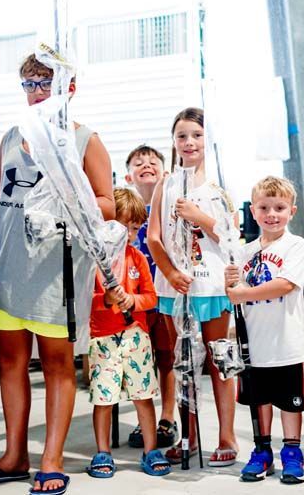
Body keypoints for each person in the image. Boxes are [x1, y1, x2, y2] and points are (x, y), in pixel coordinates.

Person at [0, 53, 115, 495]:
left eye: (44, 83)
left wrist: (67, 198)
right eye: (29, 84)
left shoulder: (85, 140)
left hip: (58, 272)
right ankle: (15, 454)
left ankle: (51, 459)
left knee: (56, 365)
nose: (36, 93)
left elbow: (109, 205)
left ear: (68, 88)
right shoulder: (11, 137)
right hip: (9, 268)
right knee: (11, 362)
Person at [147, 107, 238, 466]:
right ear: (173, 141)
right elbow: (154, 237)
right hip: (175, 288)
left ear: (208, 139)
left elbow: (233, 236)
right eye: (182, 136)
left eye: (196, 135)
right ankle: (190, 434)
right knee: (182, 360)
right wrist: (169, 272)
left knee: (219, 361)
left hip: (212, 284)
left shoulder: (218, 186)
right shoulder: (165, 185)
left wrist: (200, 218)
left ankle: (227, 434)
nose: (189, 143)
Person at [223, 176, 304, 484]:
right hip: (254, 345)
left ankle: (292, 452)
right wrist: (230, 282)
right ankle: (262, 451)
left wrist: (241, 292)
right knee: (258, 400)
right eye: (264, 207)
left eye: (279, 207)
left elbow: (285, 284)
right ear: (254, 211)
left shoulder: (295, 245)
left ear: (292, 211)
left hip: (285, 343)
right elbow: (235, 292)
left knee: (289, 401)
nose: (272, 214)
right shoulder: (244, 252)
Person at [86, 188, 170, 478]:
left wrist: (133, 301)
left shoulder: (138, 258)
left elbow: (151, 297)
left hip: (136, 338)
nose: (131, 234)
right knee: (103, 399)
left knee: (143, 396)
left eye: (135, 228)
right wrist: (106, 300)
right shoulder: (92, 261)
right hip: (103, 338)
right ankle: (102, 452)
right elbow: (88, 302)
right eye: (125, 227)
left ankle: (150, 450)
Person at [122, 145, 178, 449]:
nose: (146, 165)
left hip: (165, 293)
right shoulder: (123, 212)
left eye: (153, 162)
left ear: (164, 172)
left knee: (167, 355)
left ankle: (167, 417)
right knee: (138, 360)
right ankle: (144, 420)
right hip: (134, 298)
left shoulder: (170, 209)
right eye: (138, 163)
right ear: (129, 175)